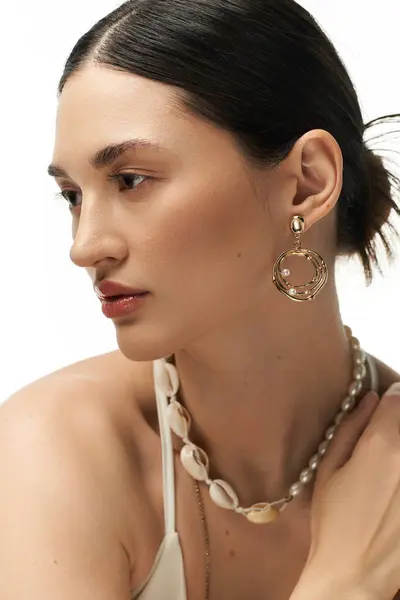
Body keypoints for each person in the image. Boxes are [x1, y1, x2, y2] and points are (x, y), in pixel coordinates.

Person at [1, 0, 400, 598]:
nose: (84, 247)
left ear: (307, 181)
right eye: (72, 195)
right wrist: (347, 583)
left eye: (131, 180)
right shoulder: (52, 451)